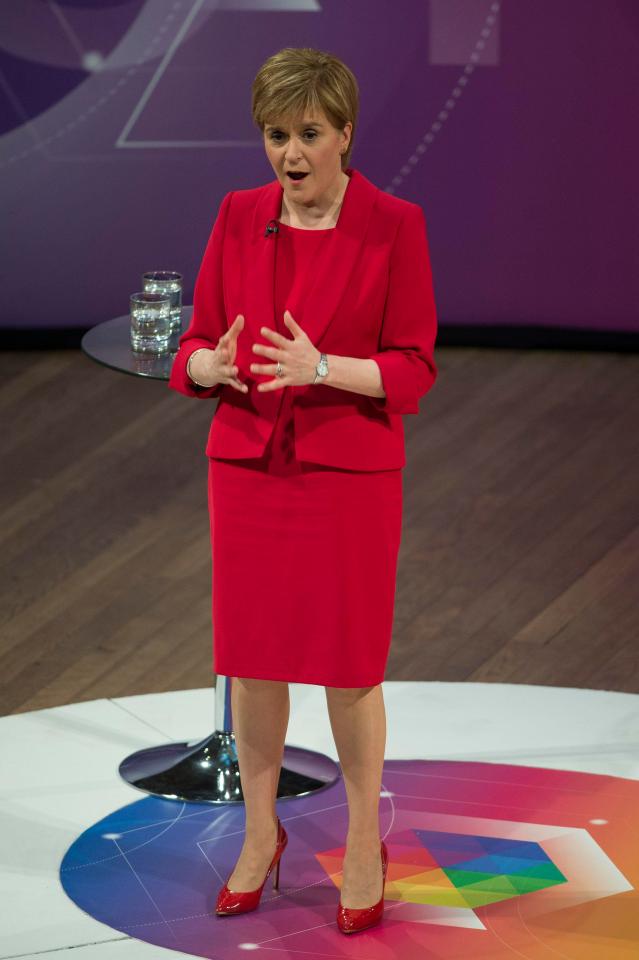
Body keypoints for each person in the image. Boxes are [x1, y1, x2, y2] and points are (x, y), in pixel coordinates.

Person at [168, 47, 438, 934]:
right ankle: (259, 835)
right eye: (276, 135)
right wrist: (204, 363)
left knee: (350, 669)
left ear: (345, 134)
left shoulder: (393, 225)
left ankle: (364, 841)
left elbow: (411, 367)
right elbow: (200, 340)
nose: (290, 153)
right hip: (247, 467)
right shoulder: (237, 214)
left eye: (308, 134)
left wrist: (323, 368)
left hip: (347, 472)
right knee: (252, 659)